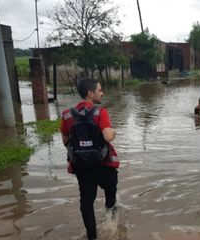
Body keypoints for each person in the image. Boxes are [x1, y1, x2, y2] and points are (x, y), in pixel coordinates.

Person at [60, 78, 119, 240]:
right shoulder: (101, 112)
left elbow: (65, 138)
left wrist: (80, 151)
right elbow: (107, 136)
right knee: (111, 194)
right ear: (90, 93)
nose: (102, 92)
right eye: (100, 90)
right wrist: (113, 131)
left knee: (86, 203)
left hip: (82, 168)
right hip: (104, 165)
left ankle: (92, 237)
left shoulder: (67, 115)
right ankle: (112, 225)